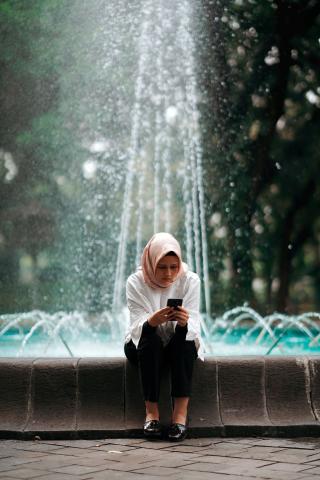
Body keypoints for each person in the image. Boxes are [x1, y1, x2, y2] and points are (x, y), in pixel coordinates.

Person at [124, 232, 204, 441]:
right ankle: (152, 414)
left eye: (173, 267)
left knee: (186, 341)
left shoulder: (190, 280)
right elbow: (136, 327)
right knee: (150, 340)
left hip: (177, 346)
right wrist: (153, 321)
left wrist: (183, 322)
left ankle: (180, 417)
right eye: (161, 267)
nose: (168, 274)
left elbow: (194, 325)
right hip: (143, 346)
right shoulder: (135, 281)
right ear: (151, 263)